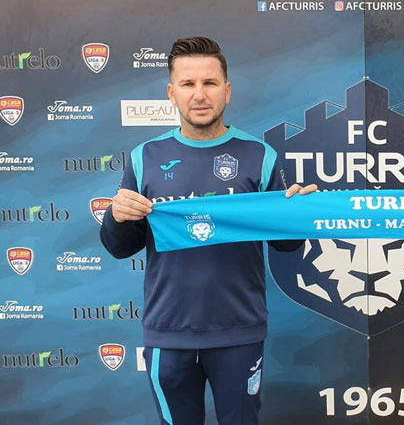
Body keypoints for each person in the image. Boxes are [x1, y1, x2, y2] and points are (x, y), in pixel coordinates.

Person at [100, 36, 317, 424]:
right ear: (172, 93)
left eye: (210, 83)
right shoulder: (144, 157)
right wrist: (117, 216)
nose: (199, 95)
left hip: (238, 332)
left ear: (227, 91)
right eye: (188, 84)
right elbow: (120, 247)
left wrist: (297, 215)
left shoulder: (259, 155)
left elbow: (286, 244)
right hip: (168, 333)